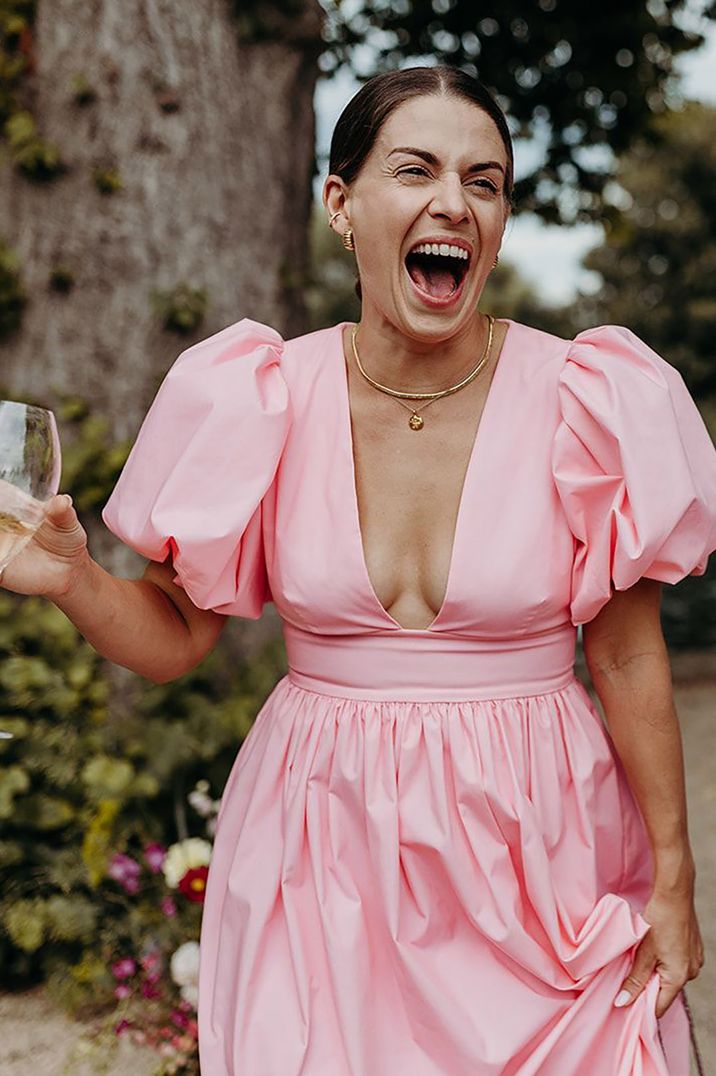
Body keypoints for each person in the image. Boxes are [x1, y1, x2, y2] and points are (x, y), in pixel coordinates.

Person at [2, 64, 715, 1075]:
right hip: (316, 849)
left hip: (538, 853)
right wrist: (73, 576)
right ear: (340, 204)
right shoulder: (257, 394)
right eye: (413, 168)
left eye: (484, 180)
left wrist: (673, 886)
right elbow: (171, 640)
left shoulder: (587, 398)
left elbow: (631, 659)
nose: (452, 202)